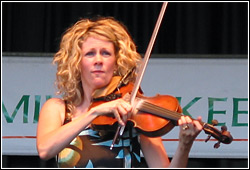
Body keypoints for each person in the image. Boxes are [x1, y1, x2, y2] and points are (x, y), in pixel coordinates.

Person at [36, 16, 203, 168]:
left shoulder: (133, 115)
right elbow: (45, 150)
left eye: (106, 53)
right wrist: (94, 112)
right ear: (77, 64)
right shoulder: (57, 109)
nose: (98, 60)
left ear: (116, 63)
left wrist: (184, 146)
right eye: (90, 54)